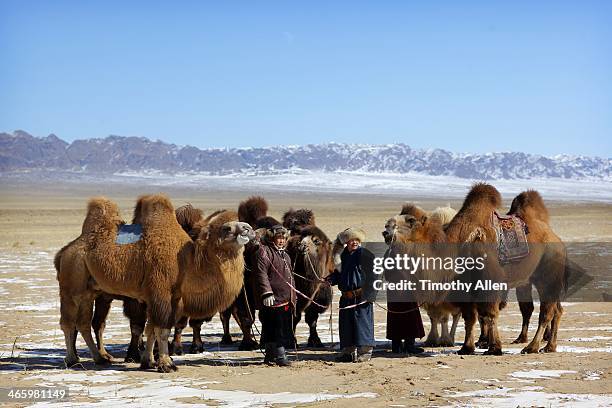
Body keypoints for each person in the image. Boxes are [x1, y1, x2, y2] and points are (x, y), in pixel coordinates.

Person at [327, 228, 377, 362]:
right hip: (346, 297)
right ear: (346, 242)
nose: (354, 242)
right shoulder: (343, 256)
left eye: (357, 240)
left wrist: (371, 294)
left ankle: (365, 352)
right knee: (346, 325)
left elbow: (375, 274)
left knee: (363, 324)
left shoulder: (364, 254)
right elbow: (340, 274)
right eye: (351, 240)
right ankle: (347, 352)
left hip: (361, 296)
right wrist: (331, 279)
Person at [252, 225, 296, 366]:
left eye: (283, 238)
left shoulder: (285, 255)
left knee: (278, 327)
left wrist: (293, 294)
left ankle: (271, 355)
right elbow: (261, 274)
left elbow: (289, 277)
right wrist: (266, 293)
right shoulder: (264, 252)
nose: (281, 241)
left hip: (285, 298)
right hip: (272, 299)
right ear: (272, 238)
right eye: (279, 238)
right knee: (275, 328)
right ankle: (280, 356)